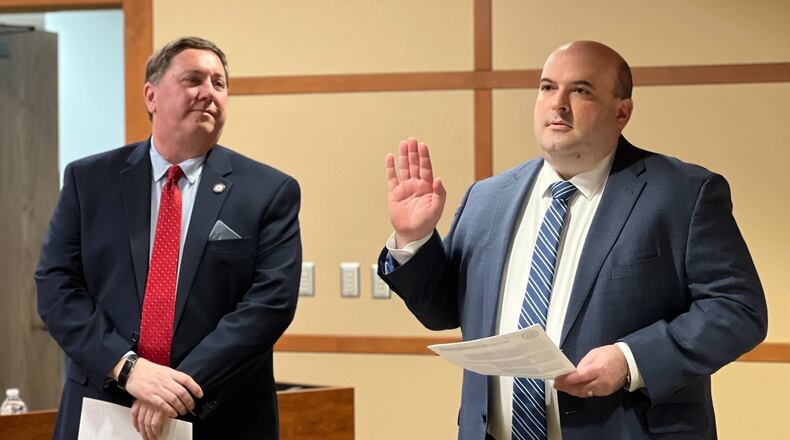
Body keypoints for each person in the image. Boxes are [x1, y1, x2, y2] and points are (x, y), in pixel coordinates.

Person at [378, 41, 767, 440]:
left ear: (622, 112)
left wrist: (631, 360)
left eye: (580, 90)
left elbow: (737, 310)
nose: (558, 103)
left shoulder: (683, 193)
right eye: (547, 87)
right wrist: (415, 237)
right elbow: (441, 311)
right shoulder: (486, 199)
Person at [35, 36, 301, 440]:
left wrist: (174, 388)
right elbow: (57, 288)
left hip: (221, 413)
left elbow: (269, 305)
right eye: (193, 79)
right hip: (105, 409)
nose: (208, 93)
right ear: (151, 96)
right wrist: (128, 369)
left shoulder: (268, 191)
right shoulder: (88, 182)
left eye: (219, 83)